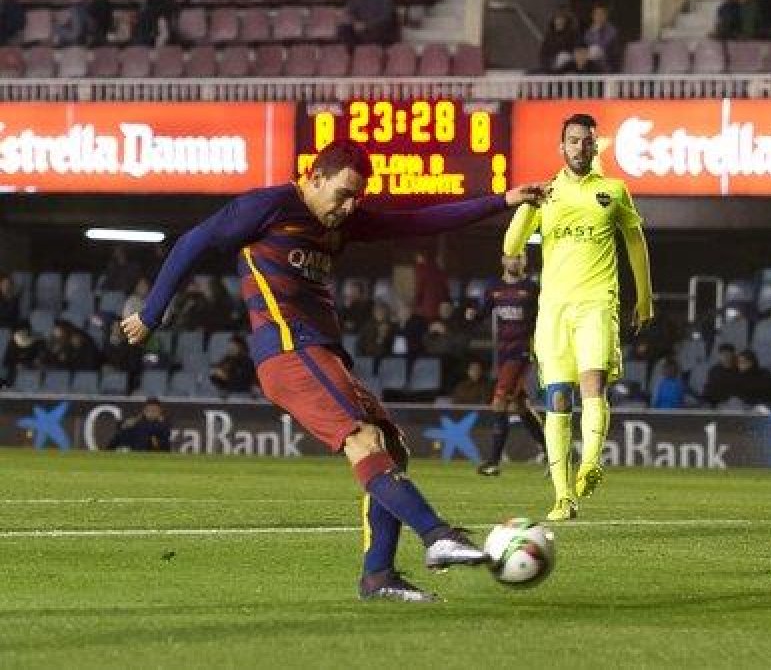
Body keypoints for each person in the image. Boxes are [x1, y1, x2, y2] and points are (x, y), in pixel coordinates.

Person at [122, 139, 547, 602]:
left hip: (320, 353)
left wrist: (500, 201)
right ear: (314, 177)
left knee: (391, 447)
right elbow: (193, 242)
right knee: (362, 439)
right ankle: (436, 535)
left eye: (356, 198)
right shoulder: (268, 206)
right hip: (288, 350)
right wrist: (151, 314)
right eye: (343, 193)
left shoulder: (341, 220)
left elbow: (418, 221)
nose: (348, 207)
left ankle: (378, 576)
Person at [503, 113, 654, 521]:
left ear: (594, 145)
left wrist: (644, 297)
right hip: (553, 309)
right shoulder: (546, 192)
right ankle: (562, 497)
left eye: (587, 142)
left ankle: (590, 463)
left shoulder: (613, 191)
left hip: (597, 303)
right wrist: (525, 208)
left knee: (593, 383)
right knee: (556, 401)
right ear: (562, 146)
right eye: (573, 141)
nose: (580, 148)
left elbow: (635, 242)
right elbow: (512, 245)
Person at [475, 252, 547, 476]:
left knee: (499, 401)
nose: (514, 261)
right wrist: (469, 313)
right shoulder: (494, 287)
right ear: (503, 260)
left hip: (522, 351)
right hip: (504, 353)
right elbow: (483, 312)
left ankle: (493, 462)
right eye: (510, 257)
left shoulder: (531, 287)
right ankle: (554, 454)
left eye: (519, 257)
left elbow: (543, 315)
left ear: (525, 261)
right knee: (519, 406)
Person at [105, 397, 172, 452]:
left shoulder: (164, 424)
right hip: (136, 448)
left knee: (148, 435)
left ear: (160, 412)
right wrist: (127, 424)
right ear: (145, 411)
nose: (152, 413)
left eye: (154, 411)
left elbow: (165, 438)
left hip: (155, 451)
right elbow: (120, 426)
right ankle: (107, 453)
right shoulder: (137, 422)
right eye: (149, 410)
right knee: (123, 433)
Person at [539, 8, 578, 73]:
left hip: (568, 68)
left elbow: (576, 52)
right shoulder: (549, 36)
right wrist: (552, 62)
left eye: (562, 19)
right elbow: (543, 55)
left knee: (564, 56)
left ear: (566, 21)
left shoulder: (573, 35)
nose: (559, 21)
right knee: (529, 73)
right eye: (557, 19)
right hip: (551, 66)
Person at [581, 3, 618, 71]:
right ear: (592, 16)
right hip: (590, 65)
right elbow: (585, 46)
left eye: (602, 14)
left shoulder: (611, 31)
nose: (599, 16)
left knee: (595, 49)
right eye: (596, 14)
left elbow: (603, 46)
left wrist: (596, 32)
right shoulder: (588, 32)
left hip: (606, 64)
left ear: (606, 16)